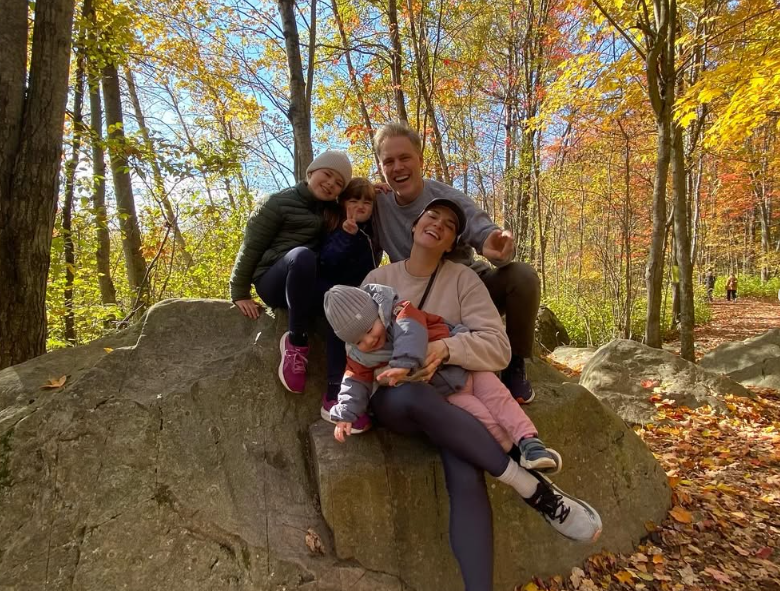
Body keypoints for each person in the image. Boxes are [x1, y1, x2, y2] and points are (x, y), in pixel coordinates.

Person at [361, 196, 601, 590]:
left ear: (453, 242)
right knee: (411, 397)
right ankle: (533, 489)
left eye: (449, 224)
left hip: (456, 399)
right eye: (430, 216)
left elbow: (498, 346)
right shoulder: (377, 280)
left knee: (466, 469)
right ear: (414, 226)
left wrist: (446, 349)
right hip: (396, 397)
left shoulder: (463, 280)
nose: (437, 224)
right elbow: (357, 340)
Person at [371, 122, 540, 402]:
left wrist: (495, 246)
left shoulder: (447, 198)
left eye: (405, 158)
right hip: (421, 299)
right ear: (381, 168)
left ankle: (515, 364)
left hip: (469, 288)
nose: (397, 167)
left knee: (523, 276)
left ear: (420, 160)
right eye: (389, 161)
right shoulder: (377, 203)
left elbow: (484, 232)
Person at [322, 281, 561, 473]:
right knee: (482, 418)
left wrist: (403, 363)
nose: (369, 341)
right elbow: (354, 380)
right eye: (358, 341)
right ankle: (515, 455)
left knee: (500, 399)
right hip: (446, 391)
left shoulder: (400, 311)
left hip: (466, 369)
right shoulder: (360, 356)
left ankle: (530, 442)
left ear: (378, 314)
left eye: (368, 330)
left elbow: (410, 333)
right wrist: (347, 413)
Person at [229, 150, 352, 394]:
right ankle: (296, 342)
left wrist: (376, 192)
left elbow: (360, 204)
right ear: (311, 172)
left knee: (342, 300)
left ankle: (336, 392)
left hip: (304, 285)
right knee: (302, 255)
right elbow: (251, 247)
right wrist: (239, 291)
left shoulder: (330, 211)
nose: (330, 184)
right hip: (272, 281)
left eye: (339, 183)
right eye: (327, 174)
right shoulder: (277, 202)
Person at [317, 178, 378, 432]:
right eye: (353, 201)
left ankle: (364, 399)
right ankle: (334, 396)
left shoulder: (371, 229)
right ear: (342, 203)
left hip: (363, 297)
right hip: (338, 301)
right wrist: (345, 234)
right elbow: (327, 262)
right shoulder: (338, 228)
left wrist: (380, 189)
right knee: (341, 336)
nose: (360, 206)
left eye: (367, 202)